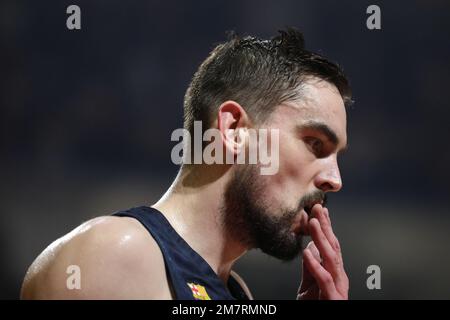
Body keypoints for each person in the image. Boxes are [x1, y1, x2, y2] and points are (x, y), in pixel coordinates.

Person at [21, 28, 352, 300]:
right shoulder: (112, 256)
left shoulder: (236, 293)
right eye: (315, 144)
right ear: (234, 130)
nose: (334, 179)